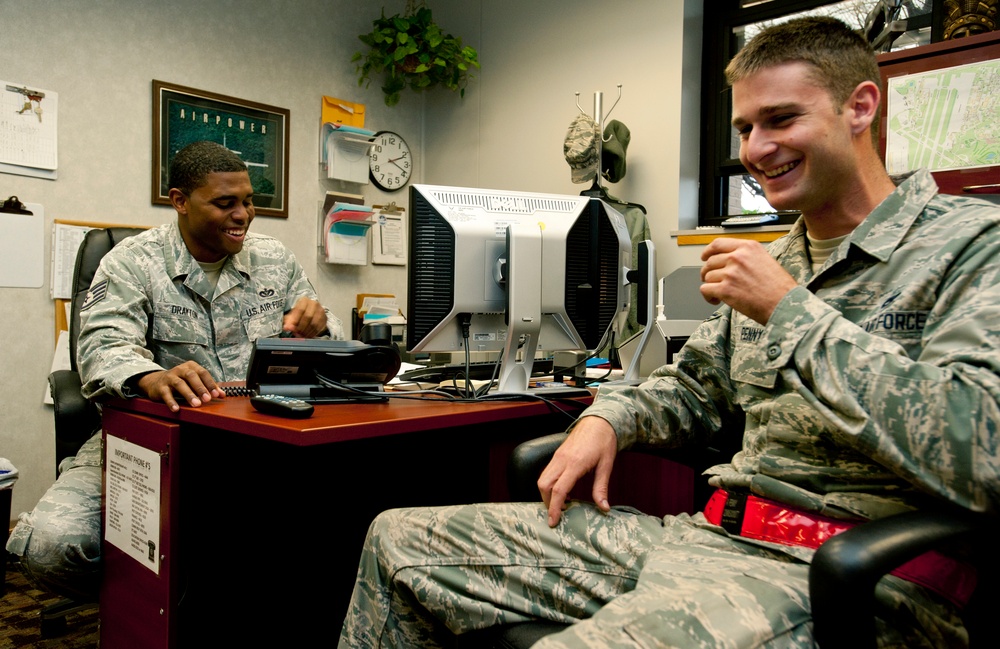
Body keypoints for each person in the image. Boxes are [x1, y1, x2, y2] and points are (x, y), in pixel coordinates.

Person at [339, 17, 1000, 649]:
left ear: (859, 109)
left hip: (845, 573)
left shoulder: (969, 244)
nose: (754, 150)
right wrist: (611, 418)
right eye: (744, 126)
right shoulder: (784, 260)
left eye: (781, 119)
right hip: (705, 539)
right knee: (400, 541)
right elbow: (691, 385)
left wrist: (791, 312)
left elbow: (983, 448)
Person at [7, 140, 343, 601]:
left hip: (260, 437)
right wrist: (149, 377)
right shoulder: (131, 262)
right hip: (147, 439)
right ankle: (140, 608)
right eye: (225, 203)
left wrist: (319, 328)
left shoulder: (274, 259)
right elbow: (101, 347)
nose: (242, 214)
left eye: (248, 201)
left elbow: (327, 338)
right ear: (180, 201)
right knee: (52, 544)